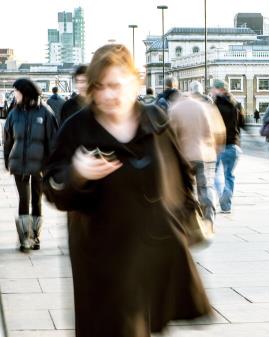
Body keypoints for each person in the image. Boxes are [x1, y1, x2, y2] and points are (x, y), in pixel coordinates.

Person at [43, 44, 211, 336]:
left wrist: (184, 219)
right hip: (104, 261)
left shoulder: (156, 121)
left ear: (136, 82)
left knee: (148, 323)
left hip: (155, 254)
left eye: (115, 85)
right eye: (99, 86)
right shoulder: (77, 128)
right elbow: (53, 186)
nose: (107, 95)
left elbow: (183, 176)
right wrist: (77, 174)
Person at [3, 78, 58, 251]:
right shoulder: (14, 113)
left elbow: (53, 141)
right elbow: (7, 140)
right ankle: (25, 238)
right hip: (19, 165)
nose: (14, 94)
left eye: (16, 91)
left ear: (25, 93)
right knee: (23, 200)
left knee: (36, 201)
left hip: (39, 167)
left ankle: (35, 236)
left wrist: (50, 166)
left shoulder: (46, 113)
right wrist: (7, 161)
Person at [170, 94, 225, 226]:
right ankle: (209, 219)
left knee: (185, 189)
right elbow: (219, 132)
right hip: (205, 155)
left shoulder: (175, 108)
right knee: (206, 188)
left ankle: (188, 220)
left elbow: (171, 134)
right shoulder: (207, 108)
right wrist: (215, 149)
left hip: (184, 156)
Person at [211, 79, 245, 213]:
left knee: (214, 175)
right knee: (229, 175)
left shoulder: (215, 105)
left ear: (221, 90)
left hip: (219, 146)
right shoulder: (237, 104)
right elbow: (243, 124)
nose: (212, 90)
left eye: (214, 88)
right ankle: (226, 204)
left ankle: (222, 197)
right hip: (235, 146)